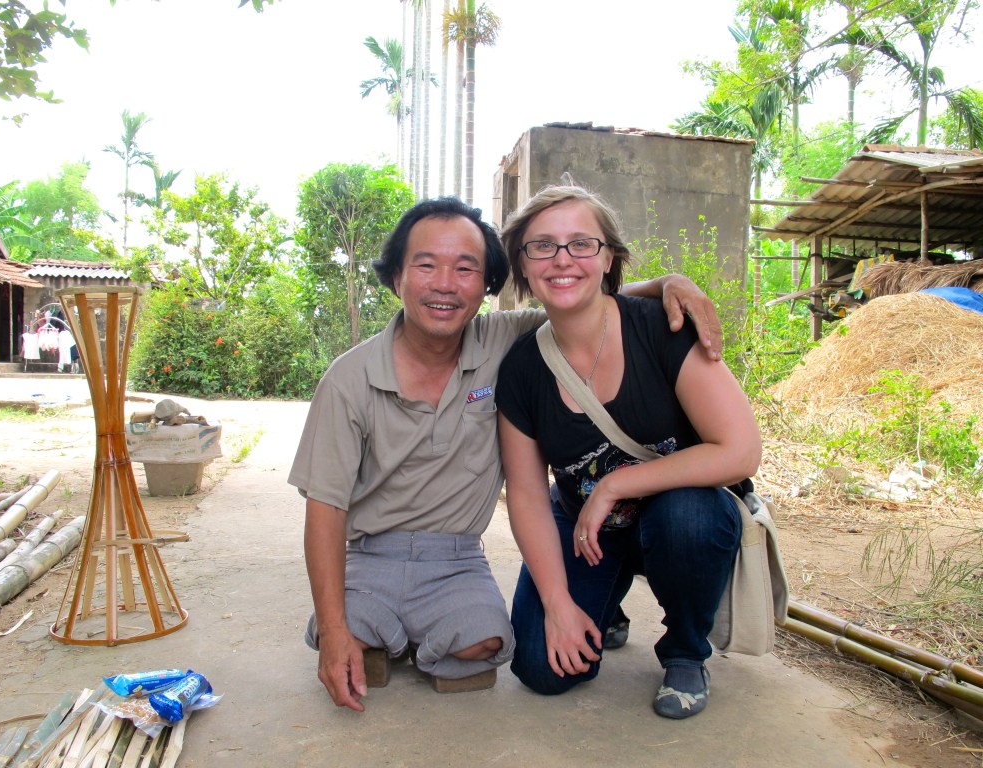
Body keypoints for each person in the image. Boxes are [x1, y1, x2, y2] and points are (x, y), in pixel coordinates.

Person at [288, 196, 723, 713]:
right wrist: (334, 630)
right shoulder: (350, 378)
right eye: (425, 265)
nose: (445, 284)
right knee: (358, 633)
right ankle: (371, 633)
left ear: (488, 284)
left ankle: (678, 650)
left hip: (457, 558)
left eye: (465, 268)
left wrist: (668, 283)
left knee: (486, 641)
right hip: (374, 554)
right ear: (396, 279)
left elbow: (582, 297)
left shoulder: (504, 339)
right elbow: (326, 508)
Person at [495, 184, 761, 719]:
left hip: (677, 518)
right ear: (522, 266)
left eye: (581, 244)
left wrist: (615, 484)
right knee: (540, 669)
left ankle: (686, 652)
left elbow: (739, 450)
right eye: (542, 246)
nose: (562, 259)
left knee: (685, 516)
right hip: (586, 528)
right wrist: (557, 604)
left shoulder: (662, 329)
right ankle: (603, 602)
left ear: (609, 256)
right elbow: (525, 493)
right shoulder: (522, 368)